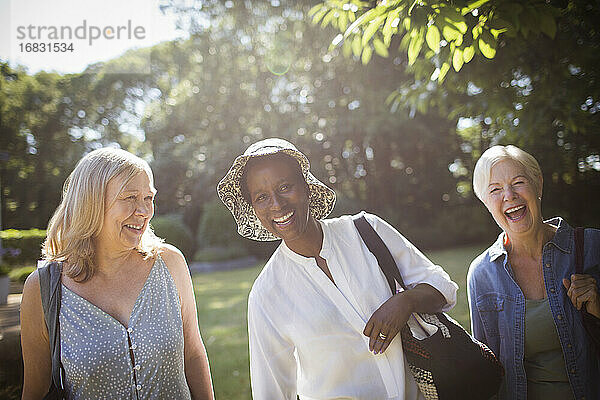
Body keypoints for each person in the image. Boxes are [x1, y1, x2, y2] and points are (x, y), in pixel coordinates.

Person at [217, 138, 458, 399]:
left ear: (307, 186)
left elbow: (443, 287)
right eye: (261, 197)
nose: (276, 204)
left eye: (285, 187)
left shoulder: (367, 231)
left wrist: (406, 301)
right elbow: (271, 391)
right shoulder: (266, 294)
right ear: (254, 208)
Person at [20, 148, 214, 399]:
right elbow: (34, 390)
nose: (144, 210)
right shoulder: (43, 288)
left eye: (148, 198)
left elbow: (193, 353)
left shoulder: (170, 263)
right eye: (130, 197)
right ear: (91, 203)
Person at [467, 145, 600, 400]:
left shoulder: (593, 247)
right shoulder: (481, 274)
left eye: (518, 182)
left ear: (538, 185)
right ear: (486, 202)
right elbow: (486, 374)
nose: (509, 195)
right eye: (495, 189)